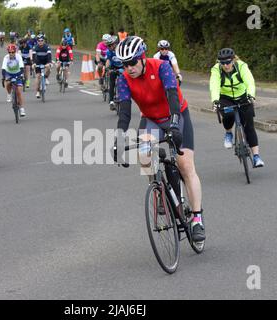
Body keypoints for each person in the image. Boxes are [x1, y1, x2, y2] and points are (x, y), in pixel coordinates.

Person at [114, 36, 205, 242]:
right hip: (152, 119)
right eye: (124, 64)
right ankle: (158, 190)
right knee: (144, 154)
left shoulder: (162, 67)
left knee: (185, 165)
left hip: (177, 115)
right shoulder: (123, 79)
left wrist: (174, 123)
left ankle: (197, 219)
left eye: (132, 62)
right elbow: (125, 114)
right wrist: (119, 138)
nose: (128, 68)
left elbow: (172, 95)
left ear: (142, 57)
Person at [210, 48, 264, 168]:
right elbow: (214, 85)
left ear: (233, 60)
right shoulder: (216, 69)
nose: (225, 65)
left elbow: (249, 81)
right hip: (225, 98)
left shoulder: (242, 66)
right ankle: (228, 133)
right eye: (222, 63)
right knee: (228, 114)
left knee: (249, 126)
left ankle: (256, 157)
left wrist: (251, 95)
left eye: (228, 62)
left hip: (243, 97)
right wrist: (215, 101)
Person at [1, 44, 26, 117]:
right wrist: (4, 77)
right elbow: (3, 69)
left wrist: (21, 76)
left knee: (19, 91)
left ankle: (21, 108)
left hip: (18, 73)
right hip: (9, 73)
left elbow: (21, 67)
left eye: (13, 52)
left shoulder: (18, 56)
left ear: (15, 52)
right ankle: (9, 94)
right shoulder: (6, 57)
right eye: (9, 52)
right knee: (8, 82)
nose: (11, 54)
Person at [105, 35, 123, 111]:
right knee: (112, 82)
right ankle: (111, 101)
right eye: (108, 45)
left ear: (115, 44)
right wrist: (107, 68)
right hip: (113, 67)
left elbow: (126, 60)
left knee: (124, 81)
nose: (108, 47)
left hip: (122, 67)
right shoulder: (109, 51)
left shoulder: (122, 50)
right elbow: (108, 61)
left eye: (110, 45)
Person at [32, 34, 52, 99]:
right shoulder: (35, 47)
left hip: (45, 61)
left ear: (44, 41)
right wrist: (34, 63)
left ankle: (46, 78)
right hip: (38, 62)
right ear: (37, 41)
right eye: (39, 40)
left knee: (48, 67)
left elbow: (49, 56)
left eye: (42, 40)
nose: (40, 42)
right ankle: (37, 91)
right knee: (37, 76)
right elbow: (34, 57)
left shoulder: (47, 47)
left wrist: (49, 63)